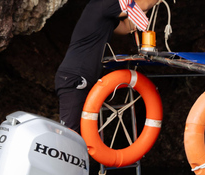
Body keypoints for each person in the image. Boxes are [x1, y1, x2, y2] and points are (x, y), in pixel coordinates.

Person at [55, 0, 160, 132]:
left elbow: (127, 26)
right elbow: (143, 4)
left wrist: (148, 6)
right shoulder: (103, 3)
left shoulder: (104, 12)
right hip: (74, 78)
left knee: (82, 135)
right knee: (70, 134)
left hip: (81, 78)